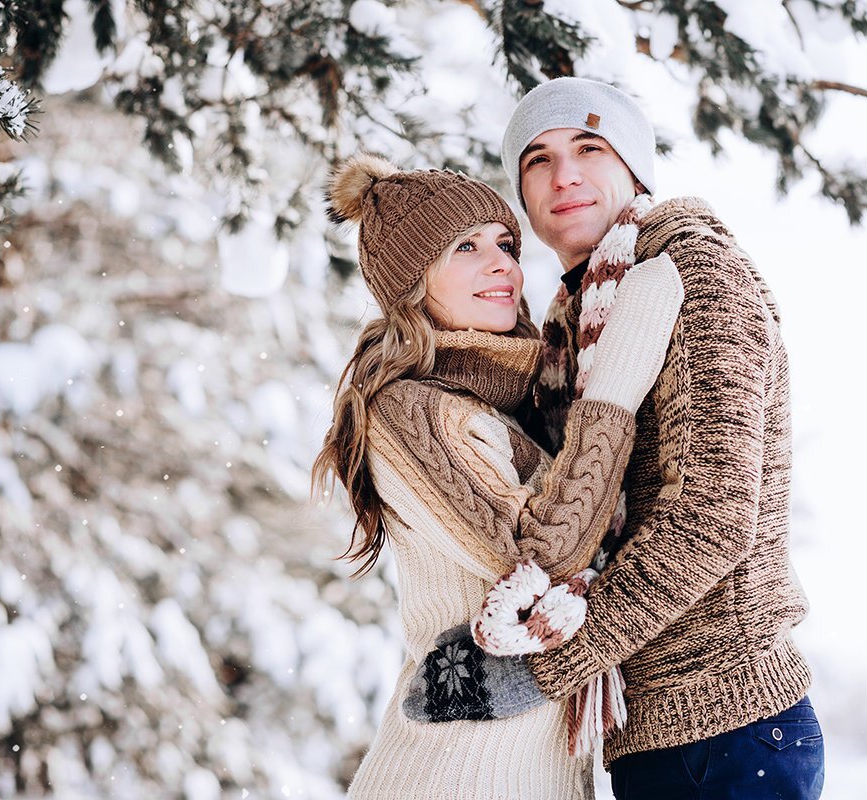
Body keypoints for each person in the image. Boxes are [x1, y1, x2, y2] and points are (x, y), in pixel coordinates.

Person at [411, 76, 825, 800]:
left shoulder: (689, 275)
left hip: (725, 730)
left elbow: (711, 520)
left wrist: (536, 668)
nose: (563, 174)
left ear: (634, 166)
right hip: (657, 735)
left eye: (588, 147)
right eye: (536, 159)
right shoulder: (576, 319)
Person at [311, 153, 682, 800]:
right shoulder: (408, 410)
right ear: (411, 283)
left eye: (506, 244)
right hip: (452, 779)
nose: (502, 265)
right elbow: (545, 560)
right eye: (464, 247)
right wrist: (620, 377)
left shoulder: (515, 407)